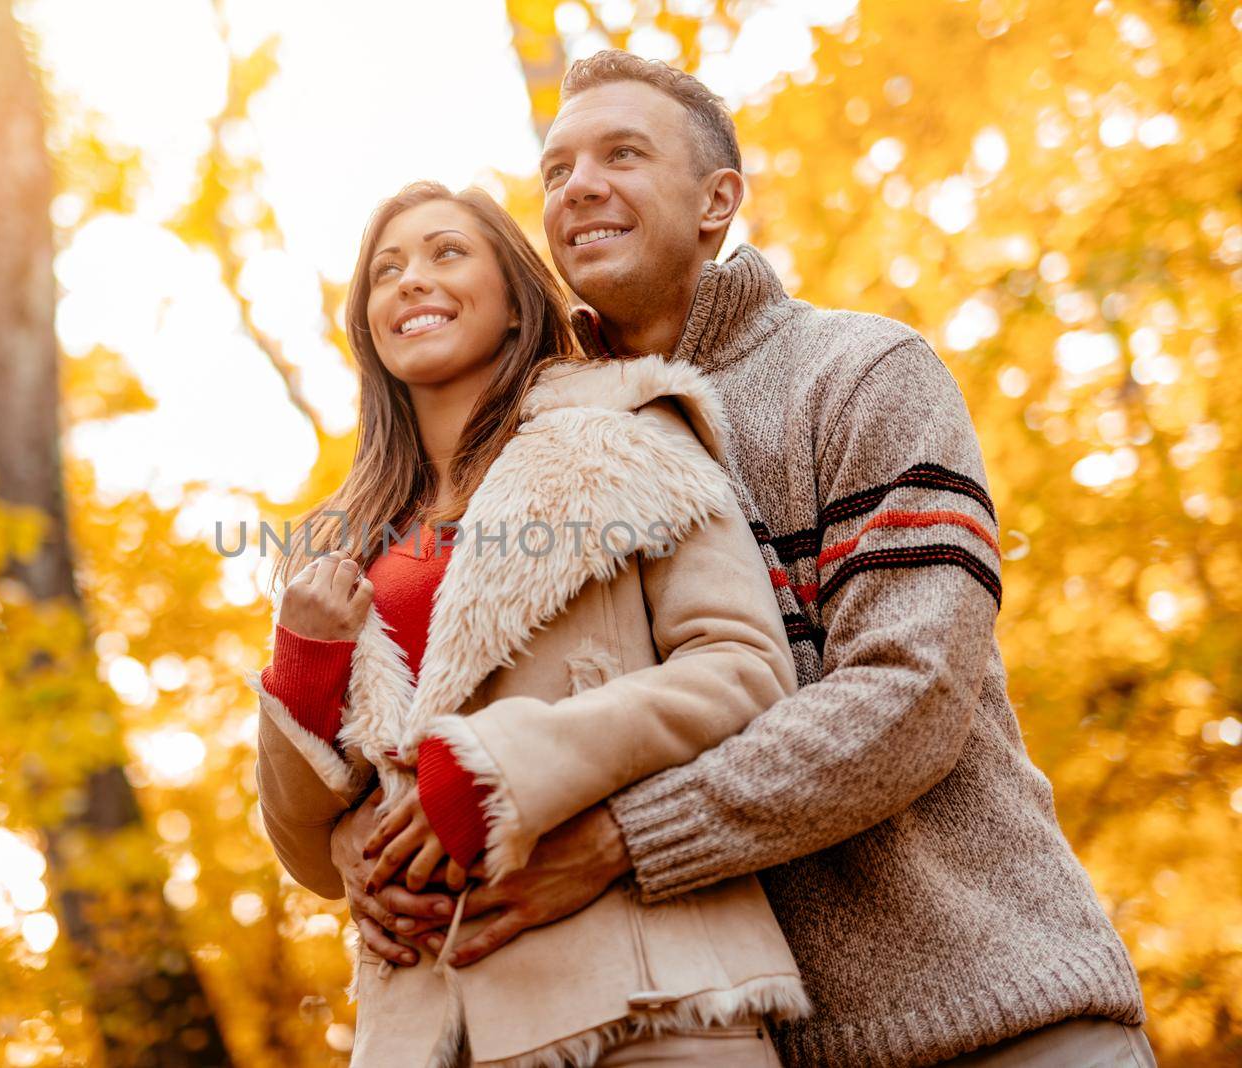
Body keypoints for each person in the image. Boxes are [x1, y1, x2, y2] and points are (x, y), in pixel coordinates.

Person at [326, 51, 1156, 1067]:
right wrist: (360, 850)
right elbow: (459, 713)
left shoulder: (857, 373)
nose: (577, 185)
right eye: (554, 170)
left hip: (993, 1014)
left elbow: (912, 690)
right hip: (741, 1034)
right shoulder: (547, 454)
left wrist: (623, 842)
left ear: (718, 201)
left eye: (621, 154)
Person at [250, 181, 810, 1065]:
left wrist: (505, 767)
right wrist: (304, 662)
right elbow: (314, 857)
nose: (410, 282)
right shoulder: (343, 542)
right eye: (386, 271)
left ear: (515, 299)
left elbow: (742, 668)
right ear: (368, 327)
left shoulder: (626, 433)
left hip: (646, 999)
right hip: (427, 1028)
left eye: (445, 253)